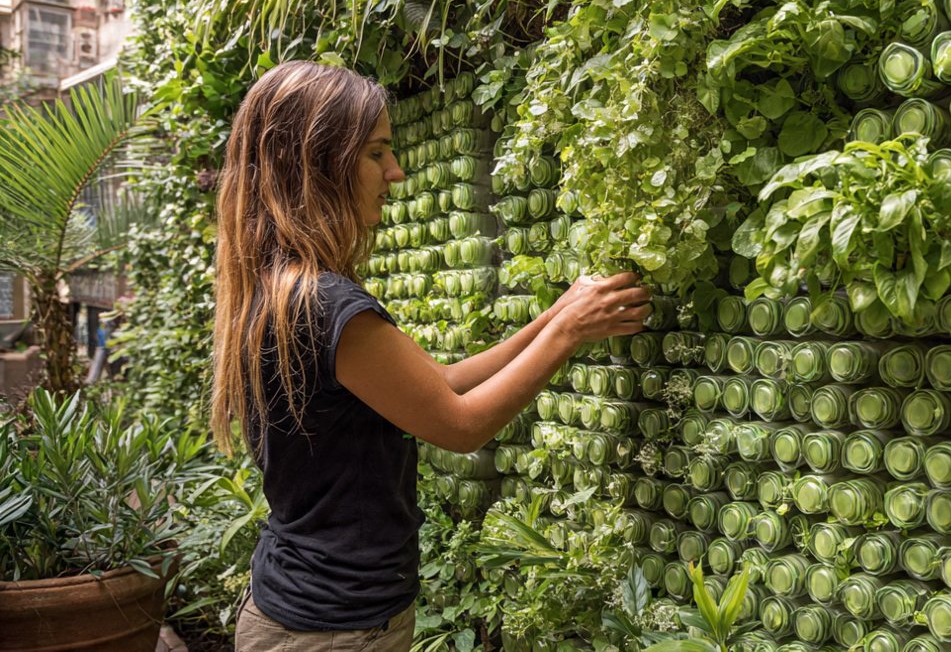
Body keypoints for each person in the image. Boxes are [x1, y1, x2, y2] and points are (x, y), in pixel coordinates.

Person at [209, 60, 650, 651]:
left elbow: (438, 384)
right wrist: (566, 334)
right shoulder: (325, 304)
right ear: (316, 165)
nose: (395, 172)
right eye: (375, 153)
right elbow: (459, 424)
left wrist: (555, 316)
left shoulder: (281, 290)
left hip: (299, 609)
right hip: (333, 630)